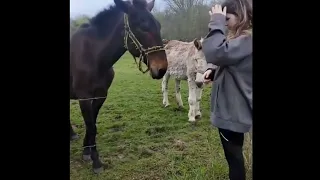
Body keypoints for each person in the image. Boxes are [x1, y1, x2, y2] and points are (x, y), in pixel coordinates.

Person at [201, 0, 252, 180]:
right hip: (236, 111)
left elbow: (216, 52)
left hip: (232, 113)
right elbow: (235, 65)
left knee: (234, 160)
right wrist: (214, 71)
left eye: (227, 19)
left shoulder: (247, 40)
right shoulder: (243, 41)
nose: (225, 24)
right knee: (235, 157)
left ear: (242, 16)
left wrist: (215, 22)